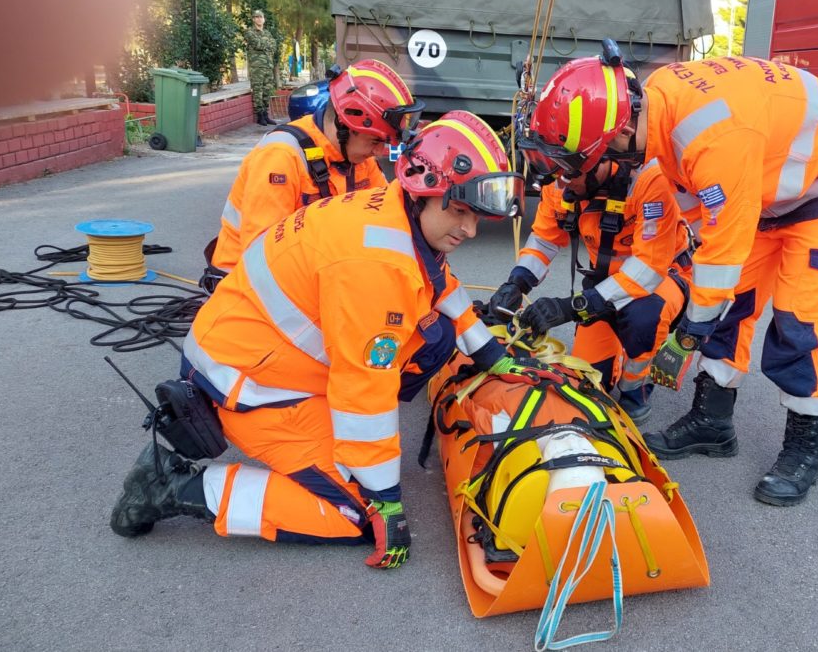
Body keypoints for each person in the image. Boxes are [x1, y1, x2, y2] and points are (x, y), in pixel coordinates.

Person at [110, 111, 525, 569]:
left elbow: (438, 281)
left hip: (258, 358)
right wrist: (384, 500)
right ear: (421, 190)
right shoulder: (373, 268)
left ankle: (328, 457)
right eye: (459, 211)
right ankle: (173, 487)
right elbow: (363, 389)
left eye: (476, 216)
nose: (469, 230)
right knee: (352, 514)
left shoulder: (391, 212)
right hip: (250, 386)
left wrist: (487, 351)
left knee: (436, 334)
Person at [526, 45, 818, 506]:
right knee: (732, 306)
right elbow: (705, 222)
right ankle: (713, 424)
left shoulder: (714, 139)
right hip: (765, 191)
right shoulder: (657, 108)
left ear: (616, 136)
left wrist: (692, 328)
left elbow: (722, 247)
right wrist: (702, 313)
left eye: (578, 161)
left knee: (801, 323)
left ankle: (803, 447)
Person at [490, 154, 690, 422]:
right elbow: (545, 240)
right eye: (557, 174)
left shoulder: (649, 179)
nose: (562, 183)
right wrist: (516, 283)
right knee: (590, 381)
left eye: (569, 175)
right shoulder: (561, 180)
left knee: (643, 317)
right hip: (605, 281)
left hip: (662, 277)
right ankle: (617, 347)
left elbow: (647, 269)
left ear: (599, 161)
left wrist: (572, 307)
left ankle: (635, 390)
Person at [202, 59, 423, 291]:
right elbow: (265, 259)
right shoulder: (281, 158)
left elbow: (388, 218)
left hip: (306, 277)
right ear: (343, 126)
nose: (380, 152)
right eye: (375, 140)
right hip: (247, 290)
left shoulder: (360, 160)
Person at [245, 10, 279, 126]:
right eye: (257, 17)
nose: (259, 19)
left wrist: (265, 44)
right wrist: (266, 44)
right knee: (258, 91)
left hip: (268, 66)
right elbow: (257, 44)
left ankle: (266, 114)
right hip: (257, 67)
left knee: (267, 91)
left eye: (261, 17)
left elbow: (274, 46)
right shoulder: (250, 32)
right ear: (253, 19)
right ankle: (260, 116)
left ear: (264, 19)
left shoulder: (267, 33)